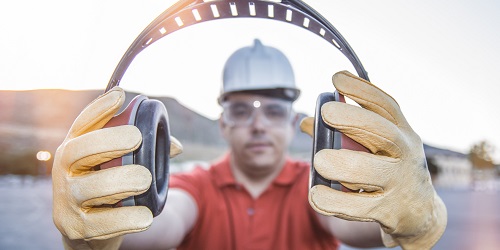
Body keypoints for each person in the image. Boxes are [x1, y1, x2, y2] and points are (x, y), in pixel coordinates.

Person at [52, 39, 447, 250]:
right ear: (223, 124)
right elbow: (161, 226)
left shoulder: (321, 188)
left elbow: (352, 225)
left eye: (273, 111)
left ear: (296, 123)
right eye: (242, 111)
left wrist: (414, 223)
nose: (258, 124)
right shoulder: (196, 185)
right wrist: (103, 231)